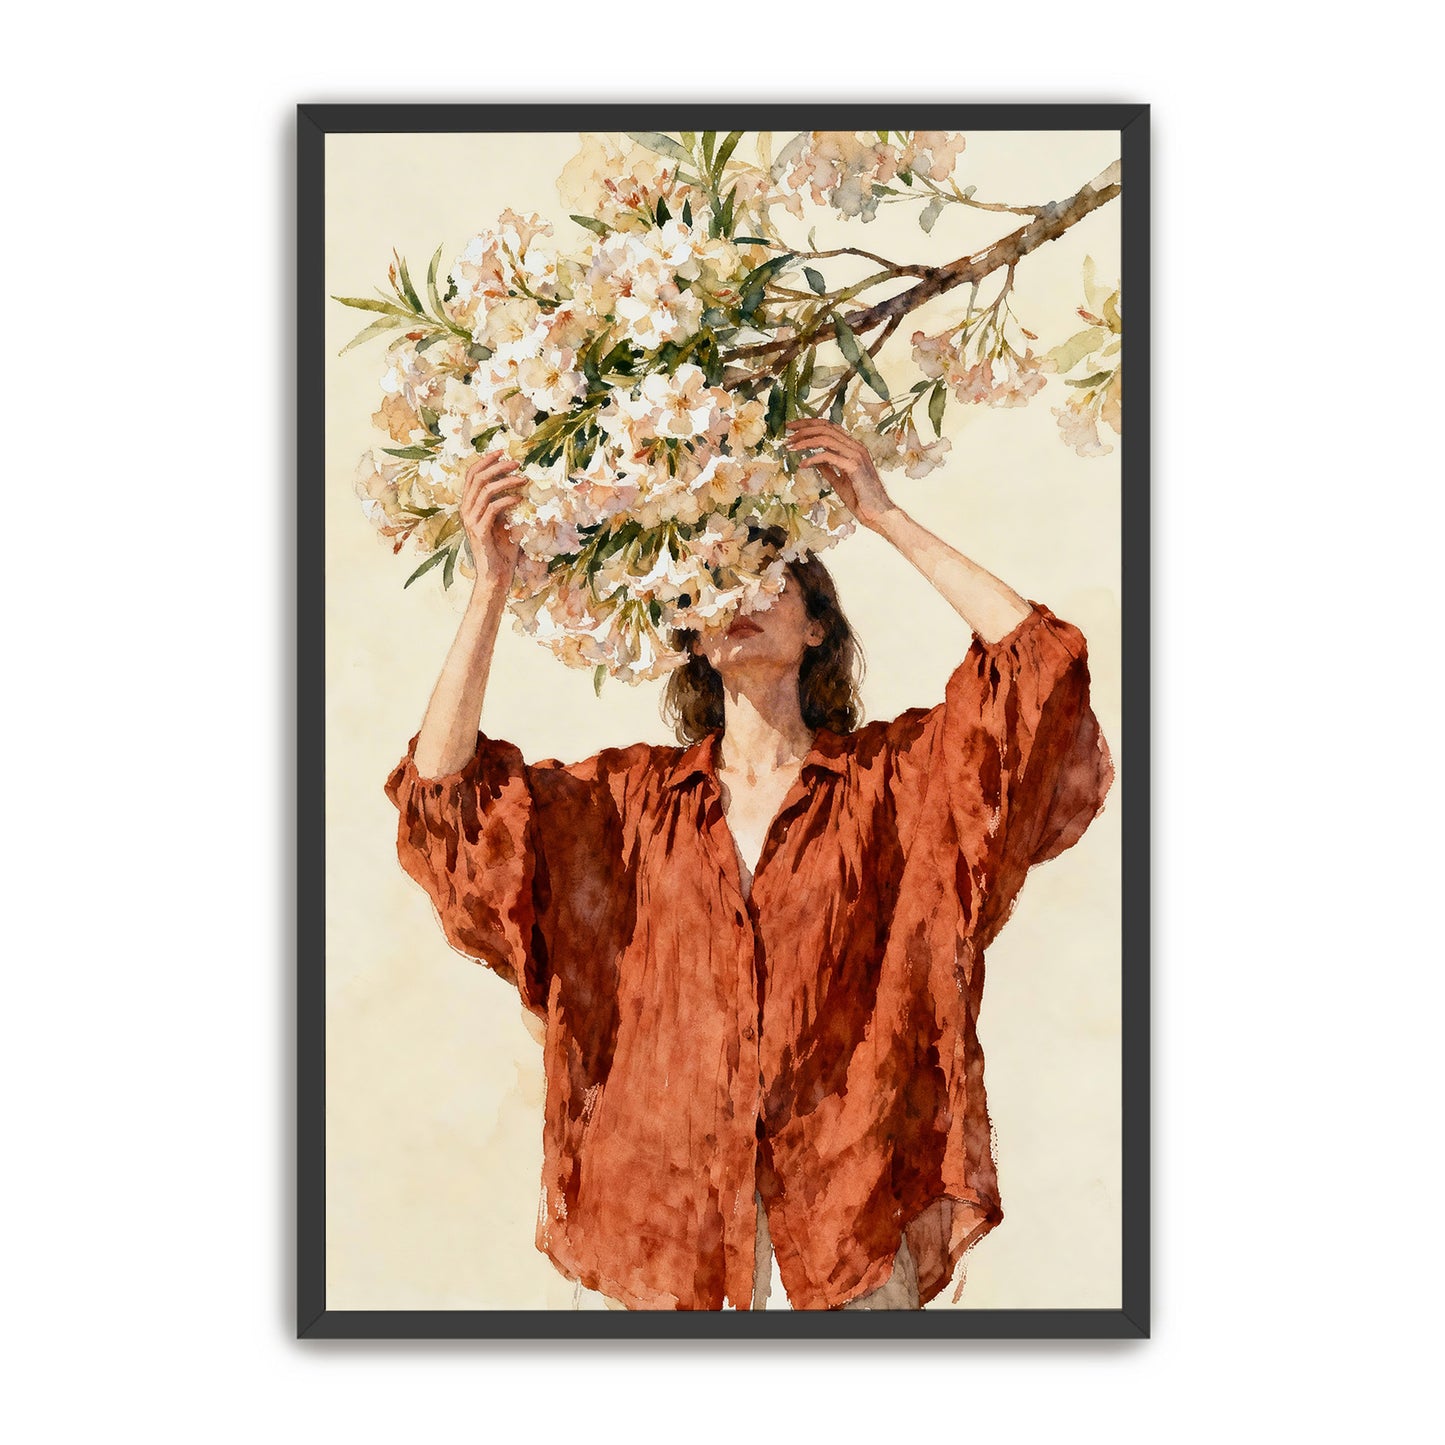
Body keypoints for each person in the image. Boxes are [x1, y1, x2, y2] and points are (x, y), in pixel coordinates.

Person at [384, 417, 1115, 1311]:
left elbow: (1036, 666)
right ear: (691, 636)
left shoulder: (892, 785)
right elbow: (447, 798)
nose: (740, 593)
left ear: (817, 628)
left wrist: (881, 513)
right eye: (715, 580)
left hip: (846, 1213)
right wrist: (490, 585)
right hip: (660, 1226)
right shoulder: (625, 804)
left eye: (768, 575)